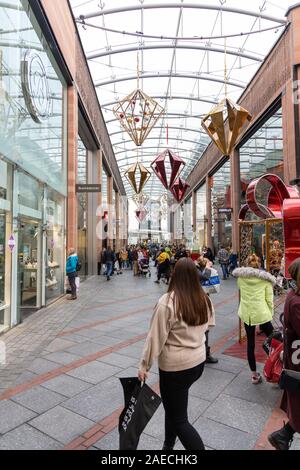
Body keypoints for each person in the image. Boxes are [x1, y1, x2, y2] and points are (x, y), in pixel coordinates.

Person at [138, 258, 214, 450]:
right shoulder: (204, 298)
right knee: (173, 408)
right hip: (197, 364)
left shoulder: (167, 302)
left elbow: (155, 337)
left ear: (175, 274)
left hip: (175, 369)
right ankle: (168, 446)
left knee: (179, 419)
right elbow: (209, 325)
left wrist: (144, 366)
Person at [268, 258, 300, 450]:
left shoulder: (295, 297)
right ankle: (283, 435)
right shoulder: (295, 301)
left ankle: (284, 435)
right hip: (297, 359)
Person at [233, 254, 275, 384]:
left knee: (250, 344)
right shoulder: (266, 280)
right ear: (259, 265)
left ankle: (254, 375)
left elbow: (242, 293)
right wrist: (270, 313)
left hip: (248, 314)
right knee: (275, 341)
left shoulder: (240, 279)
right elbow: (269, 300)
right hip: (262, 313)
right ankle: (276, 367)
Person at [196, 257, 218, 364]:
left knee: (204, 327)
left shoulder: (197, 269)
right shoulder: (196, 270)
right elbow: (204, 277)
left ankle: (204, 352)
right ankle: (204, 354)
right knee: (204, 327)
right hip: (199, 302)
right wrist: (208, 268)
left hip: (201, 300)